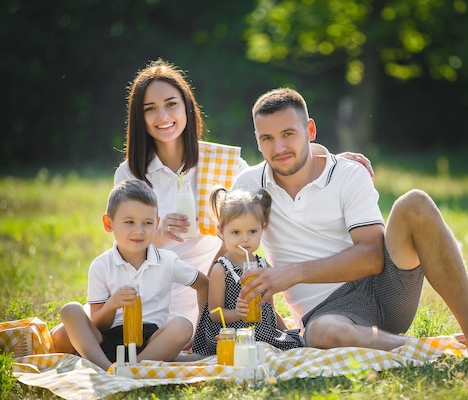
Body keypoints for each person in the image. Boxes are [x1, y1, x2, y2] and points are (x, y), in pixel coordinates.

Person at [51, 59, 371, 352]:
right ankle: (129, 359)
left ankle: (145, 357)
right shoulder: (131, 173)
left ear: (187, 108)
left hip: (201, 294)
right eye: (151, 109)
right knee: (61, 338)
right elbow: (124, 247)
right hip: (143, 294)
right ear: (140, 117)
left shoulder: (220, 164)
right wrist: (157, 235)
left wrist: (331, 160)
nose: (163, 116)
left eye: (171, 104)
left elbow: (272, 171)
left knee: (158, 336)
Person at [232, 87, 468, 367]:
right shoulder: (248, 186)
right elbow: (231, 257)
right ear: (257, 141)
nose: (279, 147)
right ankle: (431, 348)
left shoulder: (347, 173)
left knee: (415, 203)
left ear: (310, 131)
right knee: (321, 333)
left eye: (288, 134)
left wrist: (292, 274)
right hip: (327, 314)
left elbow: (372, 257)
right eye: (267, 138)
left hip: (387, 291)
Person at [58, 179, 209, 371]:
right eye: (129, 222)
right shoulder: (101, 265)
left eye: (147, 223)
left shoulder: (167, 261)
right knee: (70, 310)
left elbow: (203, 284)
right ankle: (109, 369)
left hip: (151, 342)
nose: (139, 231)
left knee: (183, 326)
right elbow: (98, 324)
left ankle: (132, 368)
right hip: (107, 342)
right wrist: (112, 304)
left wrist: (201, 334)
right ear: (108, 223)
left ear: (157, 225)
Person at [192, 187, 304, 356]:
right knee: (245, 351)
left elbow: (269, 309)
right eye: (236, 232)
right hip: (231, 335)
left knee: (294, 344)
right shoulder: (221, 269)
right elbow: (215, 313)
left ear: (262, 229)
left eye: (252, 231)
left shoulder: (262, 265)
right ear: (221, 232)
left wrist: (286, 331)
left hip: (262, 333)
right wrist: (237, 313)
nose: (245, 239)